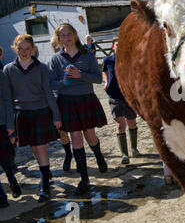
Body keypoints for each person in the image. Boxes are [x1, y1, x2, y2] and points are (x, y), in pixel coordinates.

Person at [48, 24, 108, 195]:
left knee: (90, 135)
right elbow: (51, 84)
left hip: (86, 100)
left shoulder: (87, 55)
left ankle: (99, 156)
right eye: (62, 35)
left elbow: (97, 79)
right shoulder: (56, 59)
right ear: (59, 39)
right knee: (75, 137)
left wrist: (80, 75)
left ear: (74, 35)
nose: (66, 38)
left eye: (69, 34)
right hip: (67, 102)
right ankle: (84, 178)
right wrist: (63, 83)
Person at [3, 34, 61, 202]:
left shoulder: (42, 68)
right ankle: (46, 172)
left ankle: (44, 185)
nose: (24, 52)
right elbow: (7, 98)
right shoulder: (8, 69)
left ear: (33, 49)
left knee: (41, 146)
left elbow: (49, 94)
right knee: (34, 147)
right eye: (20, 48)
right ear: (14, 48)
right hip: (21, 113)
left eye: (27, 48)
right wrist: (9, 122)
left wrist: (56, 115)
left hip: (40, 111)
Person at [102, 36, 141, 165]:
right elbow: (105, 72)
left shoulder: (129, 60)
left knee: (132, 123)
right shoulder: (107, 60)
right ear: (113, 46)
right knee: (120, 125)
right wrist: (106, 82)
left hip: (129, 96)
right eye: (117, 44)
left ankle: (134, 149)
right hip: (114, 96)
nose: (120, 46)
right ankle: (124, 154)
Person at [50, 35, 73, 172]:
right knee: (62, 131)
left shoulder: (69, 60)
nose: (56, 49)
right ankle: (68, 154)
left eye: (57, 46)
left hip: (71, 99)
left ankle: (80, 153)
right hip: (57, 101)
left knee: (77, 131)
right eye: (53, 46)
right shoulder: (51, 62)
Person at [0, 70, 21, 208]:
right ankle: (1, 196)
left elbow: (7, 99)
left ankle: (12, 179)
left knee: (4, 156)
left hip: (0, 123)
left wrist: (10, 124)